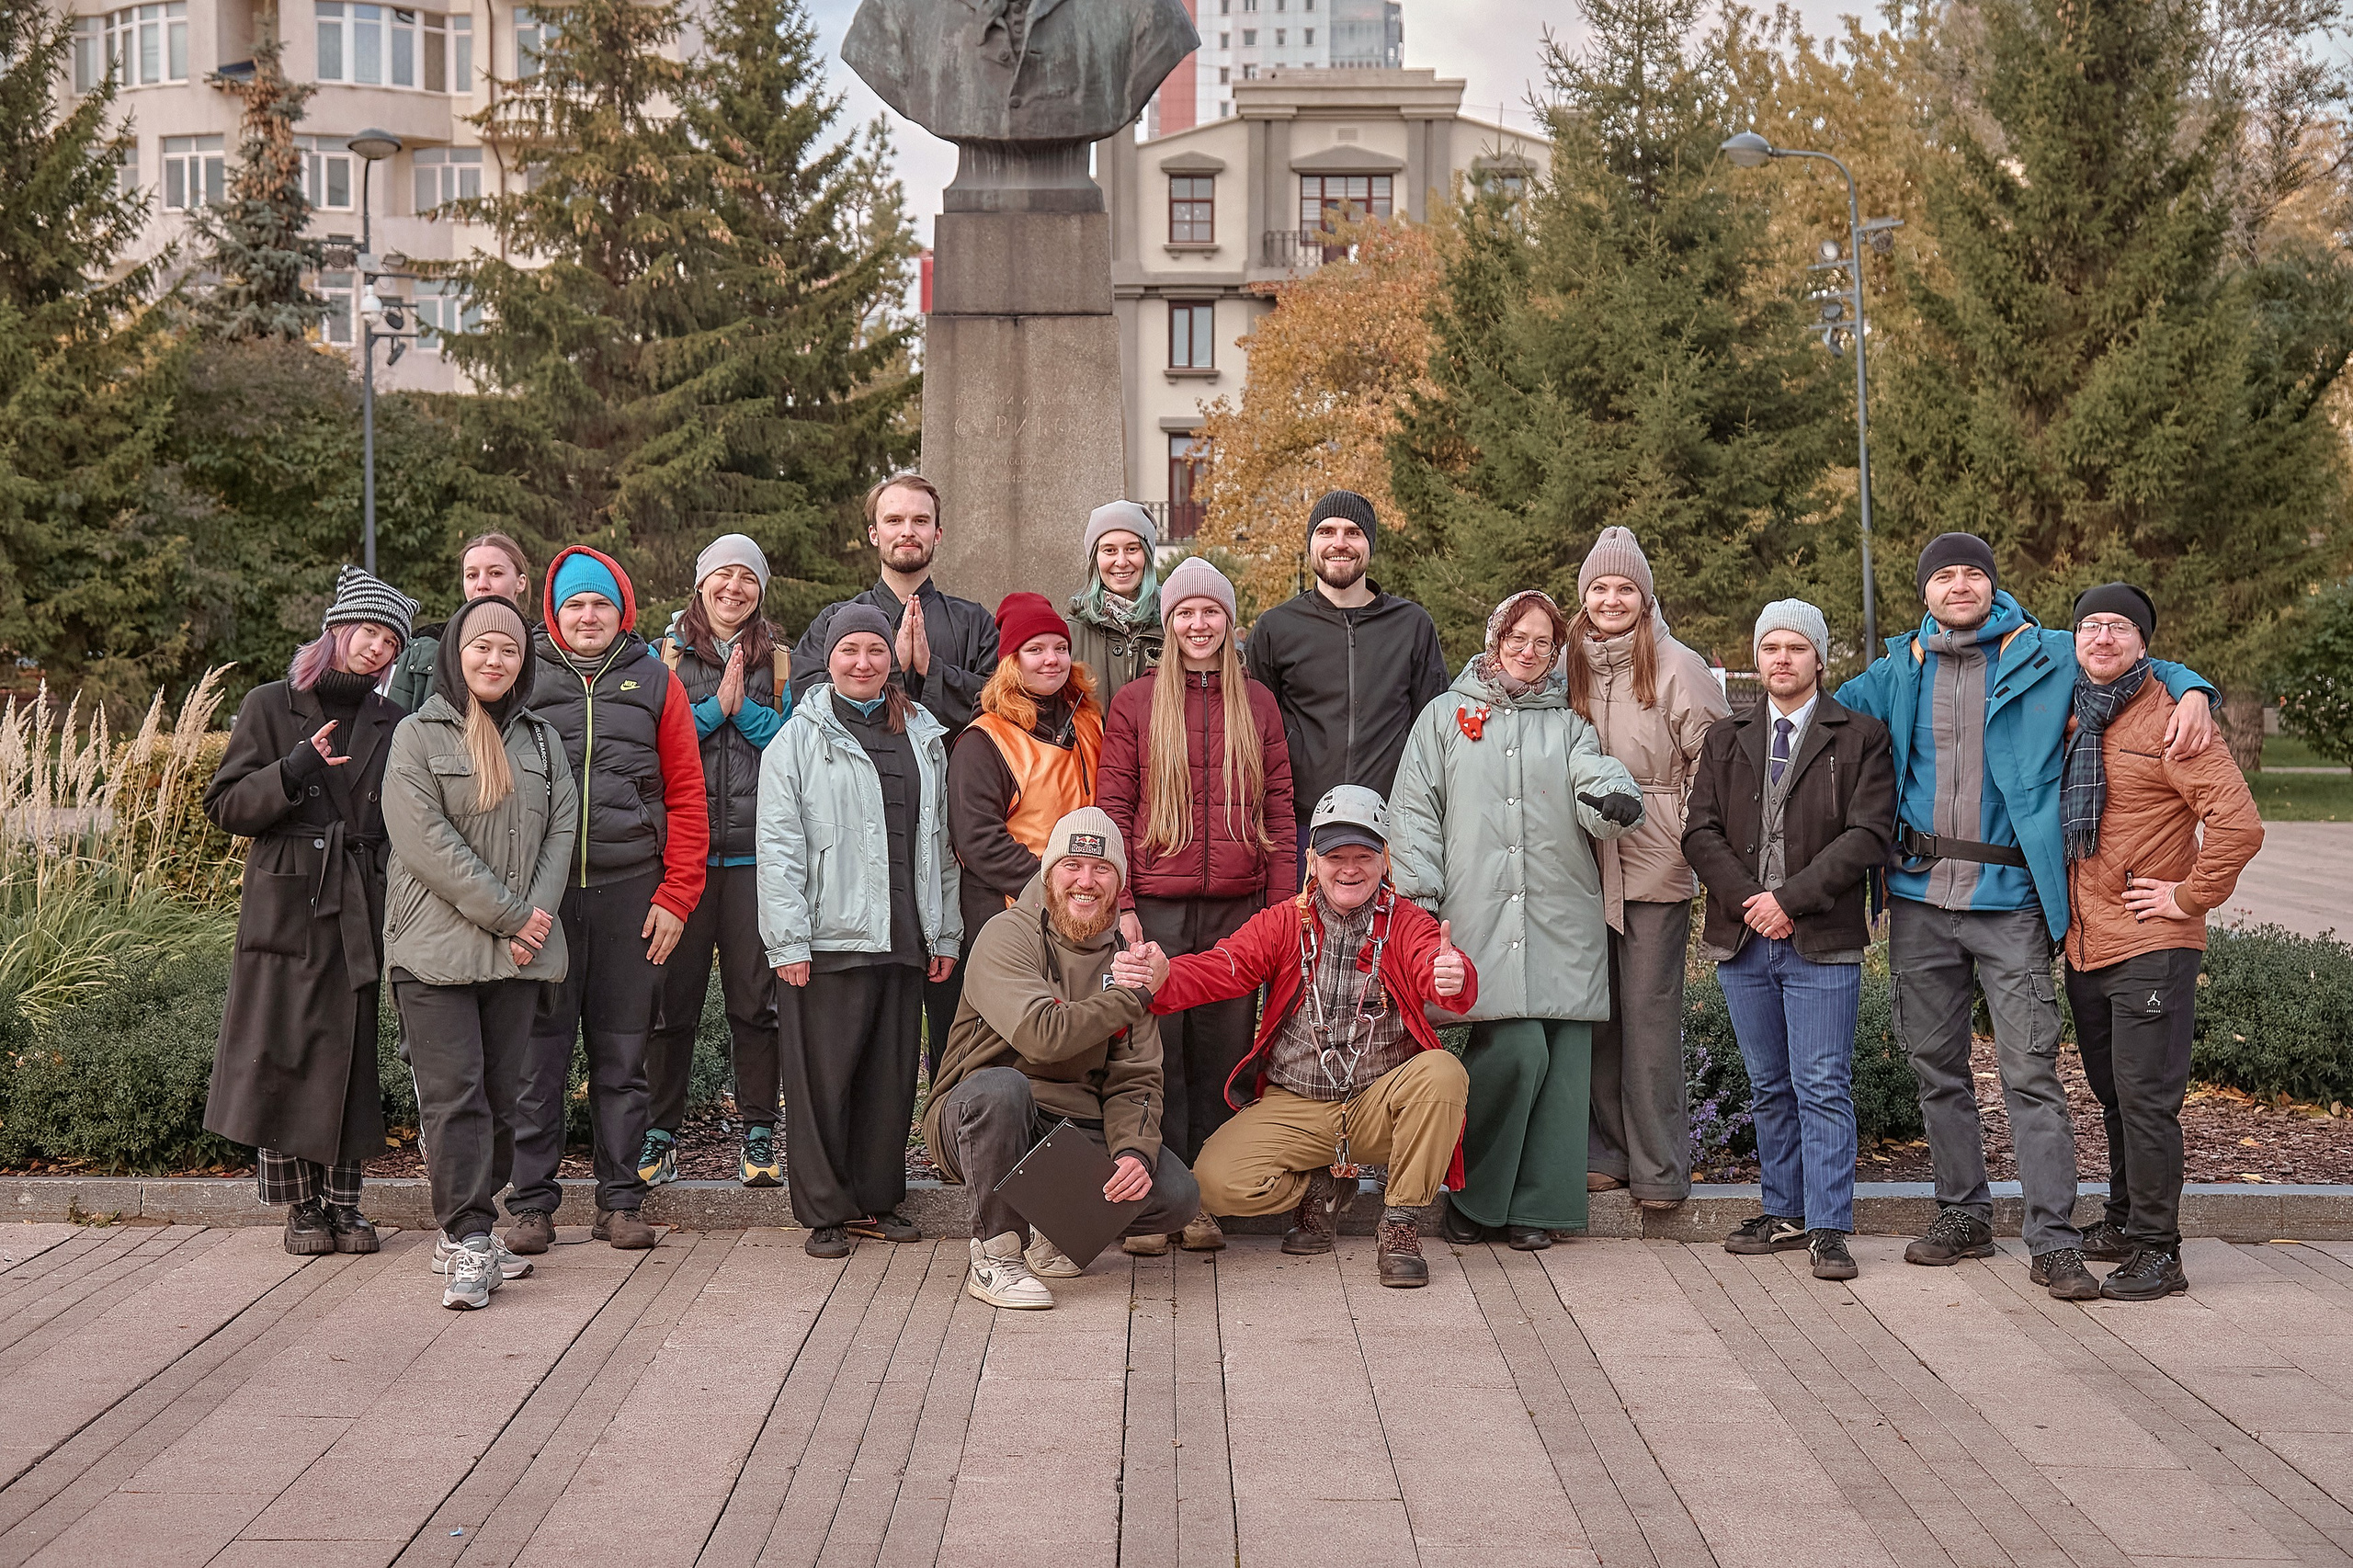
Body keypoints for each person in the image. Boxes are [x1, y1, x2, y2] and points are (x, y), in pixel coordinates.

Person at [1835, 532, 2219, 1299]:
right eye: (1944, 575)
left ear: (1992, 584)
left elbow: (2135, 663)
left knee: (2030, 1073)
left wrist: (2195, 688)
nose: (1959, 585)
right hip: (1918, 900)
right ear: (1924, 591)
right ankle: (1963, 1215)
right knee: (1935, 1068)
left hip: (2010, 901)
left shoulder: (2046, 653)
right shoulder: (1898, 668)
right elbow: (1816, 707)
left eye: (1972, 573)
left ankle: (2052, 1239)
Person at [1120, 787, 1476, 1289]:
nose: (1349, 870)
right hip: (1298, 1104)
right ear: (1312, 860)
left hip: (1379, 1105)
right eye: (1335, 857)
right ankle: (1319, 1187)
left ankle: (1399, 1223)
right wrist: (1163, 977)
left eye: (1363, 856)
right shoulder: (1285, 921)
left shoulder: (1408, 922)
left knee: (1442, 1073)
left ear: (1385, 860)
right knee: (1214, 1185)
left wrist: (1451, 976)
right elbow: (1225, 966)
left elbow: (1433, 965)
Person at [1389, 591, 1644, 1250]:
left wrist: (1613, 797)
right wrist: (1420, 899)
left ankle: (1540, 1209)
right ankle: (1475, 1198)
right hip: (1476, 915)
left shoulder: (1569, 723)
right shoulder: (1445, 717)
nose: (1528, 652)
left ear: (1556, 651)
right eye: (1516, 638)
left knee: (1563, 1065)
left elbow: (1593, 777)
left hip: (1561, 915)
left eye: (1542, 642)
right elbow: (1414, 812)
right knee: (1516, 1049)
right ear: (1494, 640)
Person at [204, 566, 416, 1257]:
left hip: (359, 895)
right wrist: (293, 769)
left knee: (349, 1053)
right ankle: (301, 1207)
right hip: (287, 898)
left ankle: (346, 1206)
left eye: (391, 642)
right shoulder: (271, 704)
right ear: (337, 630)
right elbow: (226, 806)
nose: (378, 648)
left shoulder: (394, 720)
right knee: (282, 1051)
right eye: (370, 632)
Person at [2059, 583, 2262, 1301]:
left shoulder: (2175, 718)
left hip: (2152, 942)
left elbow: (2239, 825)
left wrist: (2187, 896)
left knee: (2146, 1099)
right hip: (2087, 943)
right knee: (2115, 1094)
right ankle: (2123, 1221)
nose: (2103, 637)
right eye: (2090, 625)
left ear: (2144, 643)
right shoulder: (2072, 712)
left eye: (2120, 626)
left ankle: (2158, 1250)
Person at [505, 548, 709, 1256]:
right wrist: (508, 904)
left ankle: (621, 1202)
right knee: (537, 1062)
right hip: (544, 899)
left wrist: (677, 896)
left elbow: (688, 795)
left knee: (623, 1059)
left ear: (621, 611)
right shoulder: (522, 679)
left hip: (631, 894)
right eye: (574, 605)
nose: (587, 616)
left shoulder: (655, 680)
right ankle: (531, 1206)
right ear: (554, 613)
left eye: (600, 604)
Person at [1682, 600, 1895, 1282]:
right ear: (1757, 657)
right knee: (1770, 1084)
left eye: (1796, 647)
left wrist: (1789, 901)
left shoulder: (1860, 737)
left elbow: (1867, 835)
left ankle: (1829, 1226)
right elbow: (1700, 832)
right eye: (1771, 646)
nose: (1782, 658)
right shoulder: (1727, 737)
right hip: (1743, 938)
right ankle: (1784, 1211)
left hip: (1822, 938)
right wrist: (1752, 902)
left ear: (1819, 659)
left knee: (1822, 1084)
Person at [1096, 557, 1295, 1254]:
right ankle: (1155, 1203)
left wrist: (1281, 912)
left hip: (1238, 910)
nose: (1199, 623)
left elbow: (1280, 810)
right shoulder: (1136, 702)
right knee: (1155, 1057)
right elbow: (1113, 808)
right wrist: (1122, 903)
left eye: (1211, 611)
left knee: (1221, 1058)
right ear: (1169, 622)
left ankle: (1203, 1201)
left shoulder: (1258, 704)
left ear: (1229, 622)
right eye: (1186, 612)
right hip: (1156, 906)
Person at [381, 596, 575, 1310]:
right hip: (435, 949)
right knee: (454, 1097)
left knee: (499, 1101)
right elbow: (426, 842)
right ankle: (468, 1237)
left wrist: (533, 922)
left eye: (509, 650)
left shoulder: (543, 742)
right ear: (455, 655)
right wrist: (511, 916)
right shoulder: (416, 735)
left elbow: (561, 830)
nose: (495, 660)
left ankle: (468, 1229)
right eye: (481, 647)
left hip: (517, 954)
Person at [925, 810, 1200, 1310]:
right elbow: (1041, 1036)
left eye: (1101, 869)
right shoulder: (1005, 935)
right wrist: (1135, 996)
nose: (1086, 881)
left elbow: (1135, 1078)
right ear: (1049, 872)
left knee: (1175, 1194)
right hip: (978, 1119)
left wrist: (1133, 1153)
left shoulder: (1126, 959)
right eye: (1072, 865)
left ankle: (1053, 1231)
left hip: (1066, 1126)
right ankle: (995, 1257)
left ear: (1119, 883)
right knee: (1003, 1090)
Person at [760, 607, 961, 1259]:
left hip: (904, 936)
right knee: (823, 1083)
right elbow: (779, 848)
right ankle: (825, 1210)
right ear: (829, 659)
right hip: (827, 942)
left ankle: (878, 1199)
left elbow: (940, 844)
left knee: (889, 1080)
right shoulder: (799, 739)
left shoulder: (923, 734)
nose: (863, 662)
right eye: (850, 650)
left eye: (876, 650)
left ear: (891, 659)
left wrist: (944, 934)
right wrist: (788, 941)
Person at [792, 472, 998, 1084]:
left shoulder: (973, 622)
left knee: (954, 999)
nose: (907, 531)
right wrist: (891, 678)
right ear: (873, 533)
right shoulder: (836, 620)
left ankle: (949, 1119)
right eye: (894, 520)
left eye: (919, 521)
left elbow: (998, 707)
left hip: (947, 838)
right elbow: (807, 702)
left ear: (938, 532)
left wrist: (931, 673)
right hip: (854, 848)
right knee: (870, 1013)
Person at [1563, 528, 1732, 1212]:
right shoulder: (1566, 663)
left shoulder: (1676, 665)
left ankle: (1659, 1168)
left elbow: (1717, 762)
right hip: (1578, 862)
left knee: (1649, 1016)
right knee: (1594, 1016)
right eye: (1599, 588)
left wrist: (1684, 833)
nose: (1611, 600)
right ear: (1584, 596)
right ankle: (1606, 1155)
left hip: (1653, 860)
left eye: (1625, 588)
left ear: (1645, 596)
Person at [641, 535, 790, 1189]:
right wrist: (710, 711)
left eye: (747, 578)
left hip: (757, 857)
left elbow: (794, 744)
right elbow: (649, 741)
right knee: (670, 1006)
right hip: (683, 857)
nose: (735, 587)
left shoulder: (779, 660)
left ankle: (758, 1132)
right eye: (723, 575)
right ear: (700, 584)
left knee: (756, 1006)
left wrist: (743, 711)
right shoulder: (664, 656)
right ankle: (659, 1133)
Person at [1242, 490, 1449, 880]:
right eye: (1326, 531)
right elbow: (1252, 732)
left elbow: (1435, 730)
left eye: (1353, 532)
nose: (1339, 543)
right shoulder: (1276, 629)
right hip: (1303, 829)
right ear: (1311, 544)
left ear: (1369, 544)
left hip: (1389, 829)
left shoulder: (1411, 626)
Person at [946, 592, 1105, 1030]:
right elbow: (978, 840)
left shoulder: (1090, 722)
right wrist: (1054, 888)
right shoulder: (984, 739)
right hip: (1012, 912)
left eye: (1060, 647)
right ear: (1011, 662)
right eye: (1035, 649)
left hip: (1082, 907)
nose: (1052, 659)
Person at [382, 533, 533, 713]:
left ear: (520, 582)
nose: (481, 584)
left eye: (495, 573)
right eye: (472, 575)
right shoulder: (423, 651)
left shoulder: (545, 652)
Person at [1066, 500, 1164, 708]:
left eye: (1132, 549)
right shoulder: (1072, 632)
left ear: (1147, 556)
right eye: (1109, 550)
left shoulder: (1172, 623)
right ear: (1095, 559)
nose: (1121, 561)